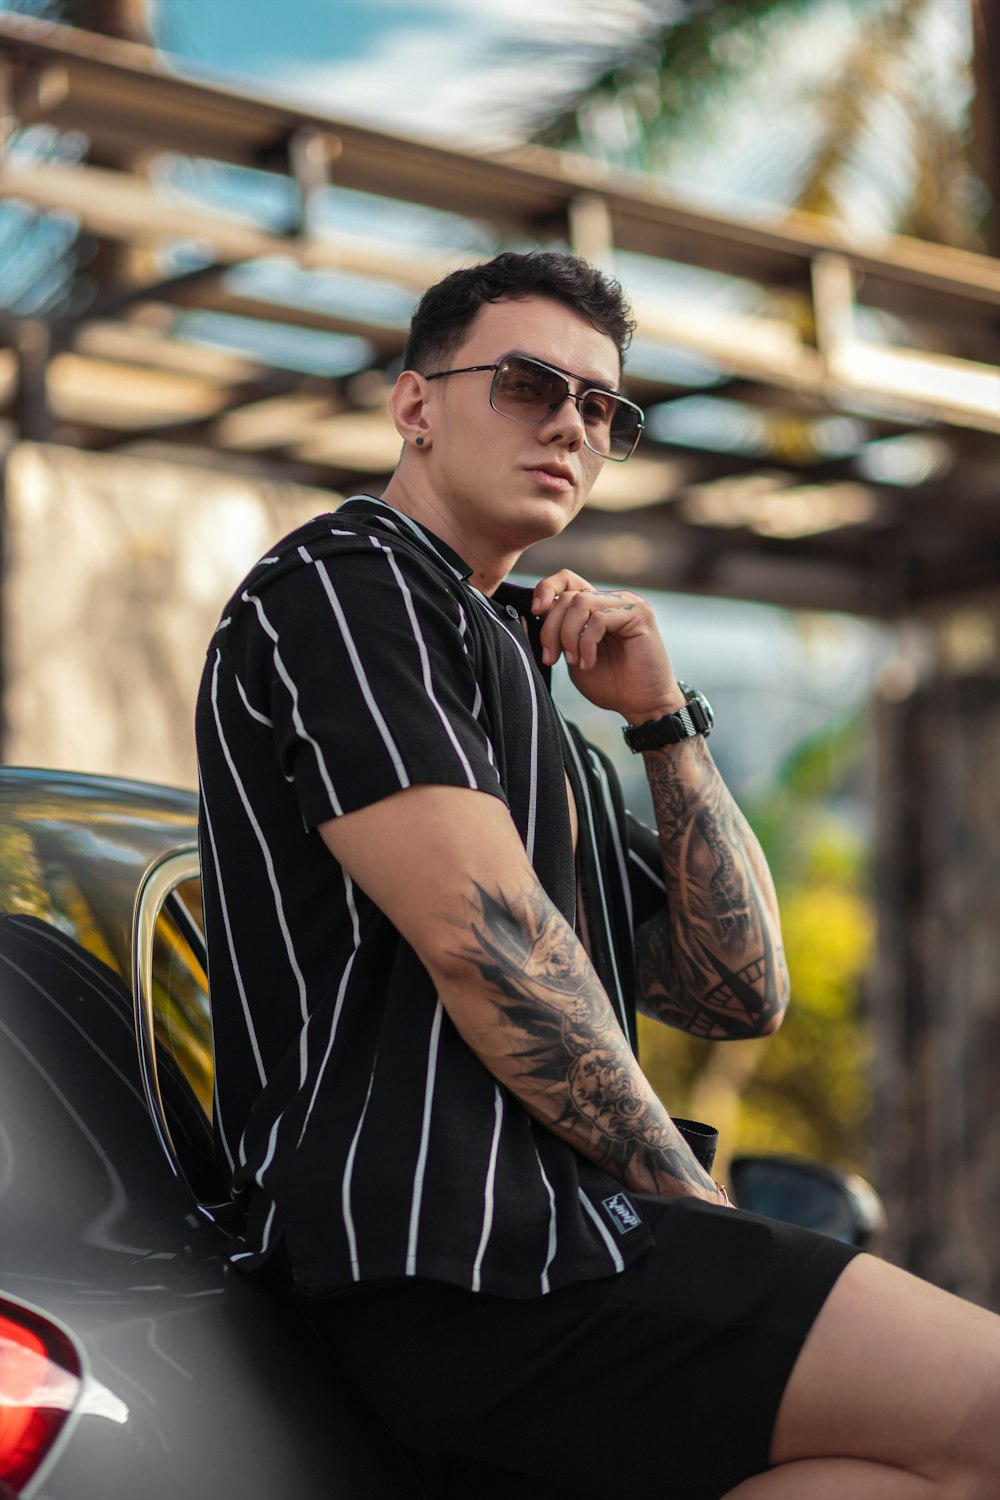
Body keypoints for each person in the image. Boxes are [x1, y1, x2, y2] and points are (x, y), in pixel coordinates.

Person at [195, 251, 1000, 1500]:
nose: (571, 421)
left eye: (603, 409)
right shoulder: (349, 591)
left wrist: (663, 723)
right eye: (528, 383)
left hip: (552, 1251)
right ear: (415, 404)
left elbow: (736, 991)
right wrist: (693, 1209)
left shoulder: (521, 684)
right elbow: (490, 944)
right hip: (458, 1261)